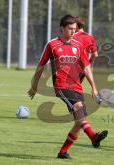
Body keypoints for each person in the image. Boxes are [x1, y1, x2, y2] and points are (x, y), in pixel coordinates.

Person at [28, 15, 108, 159]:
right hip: (61, 85)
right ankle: (93, 137)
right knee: (78, 109)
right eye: (70, 28)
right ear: (62, 28)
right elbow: (41, 66)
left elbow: (87, 68)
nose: (73, 31)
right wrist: (34, 85)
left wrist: (94, 88)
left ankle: (63, 152)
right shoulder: (52, 45)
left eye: (74, 29)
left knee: (79, 121)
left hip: (76, 86)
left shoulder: (78, 45)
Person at [73, 17, 99, 82]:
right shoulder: (90, 37)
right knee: (77, 88)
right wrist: (88, 63)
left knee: (66, 89)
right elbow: (95, 55)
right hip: (84, 67)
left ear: (76, 25)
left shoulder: (72, 37)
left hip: (73, 67)